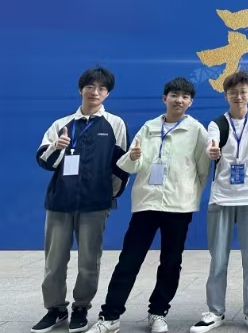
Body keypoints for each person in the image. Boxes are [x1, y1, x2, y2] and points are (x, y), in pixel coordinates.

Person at [87, 77, 210, 333]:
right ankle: (110, 316)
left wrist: (189, 195)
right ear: (165, 98)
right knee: (129, 260)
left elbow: (202, 170)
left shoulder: (197, 130)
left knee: (171, 262)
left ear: (190, 102)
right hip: (147, 203)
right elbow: (131, 166)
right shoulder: (149, 127)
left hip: (178, 206)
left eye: (185, 97)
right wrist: (133, 157)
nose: (179, 100)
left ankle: (158, 313)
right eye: (174, 95)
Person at [32, 68, 130, 333]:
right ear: (81, 89)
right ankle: (55, 310)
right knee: (54, 262)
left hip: (95, 206)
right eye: (90, 86)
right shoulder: (62, 124)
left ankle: (80, 308)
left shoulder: (115, 124)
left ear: (107, 93)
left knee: (89, 262)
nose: (94, 92)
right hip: (60, 203)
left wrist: (107, 196)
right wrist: (57, 147)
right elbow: (44, 161)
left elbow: (120, 168)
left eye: (101, 88)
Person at [190, 71, 248, 333]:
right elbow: (211, 145)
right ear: (226, 95)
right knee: (218, 259)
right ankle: (215, 311)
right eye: (233, 92)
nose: (238, 96)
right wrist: (212, 150)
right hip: (222, 198)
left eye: (243, 91)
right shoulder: (217, 123)